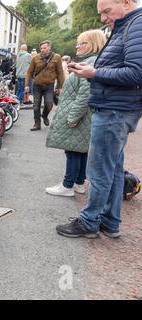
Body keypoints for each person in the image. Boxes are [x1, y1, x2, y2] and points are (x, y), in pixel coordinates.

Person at [56, 0, 142, 239]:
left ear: (125, 2)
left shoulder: (136, 25)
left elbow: (137, 72)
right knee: (112, 169)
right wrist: (91, 69)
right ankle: (110, 222)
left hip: (114, 111)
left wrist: (94, 73)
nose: (103, 18)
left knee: (100, 171)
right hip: (116, 108)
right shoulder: (127, 25)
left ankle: (89, 222)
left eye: (106, 11)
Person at [45, 30, 106, 198]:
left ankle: (67, 185)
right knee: (81, 150)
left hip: (80, 115)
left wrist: (72, 117)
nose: (77, 46)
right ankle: (79, 183)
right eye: (78, 43)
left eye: (82, 43)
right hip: (86, 116)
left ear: (93, 44)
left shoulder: (90, 63)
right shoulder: (93, 61)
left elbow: (85, 94)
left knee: (72, 150)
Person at [25, 40, 65, 131]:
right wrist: (27, 85)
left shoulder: (57, 57)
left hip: (49, 85)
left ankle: (44, 115)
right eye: (41, 48)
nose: (42, 49)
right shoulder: (35, 58)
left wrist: (60, 86)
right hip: (37, 86)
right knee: (36, 106)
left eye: (44, 48)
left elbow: (60, 73)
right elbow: (29, 72)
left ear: (49, 47)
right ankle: (37, 124)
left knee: (49, 104)